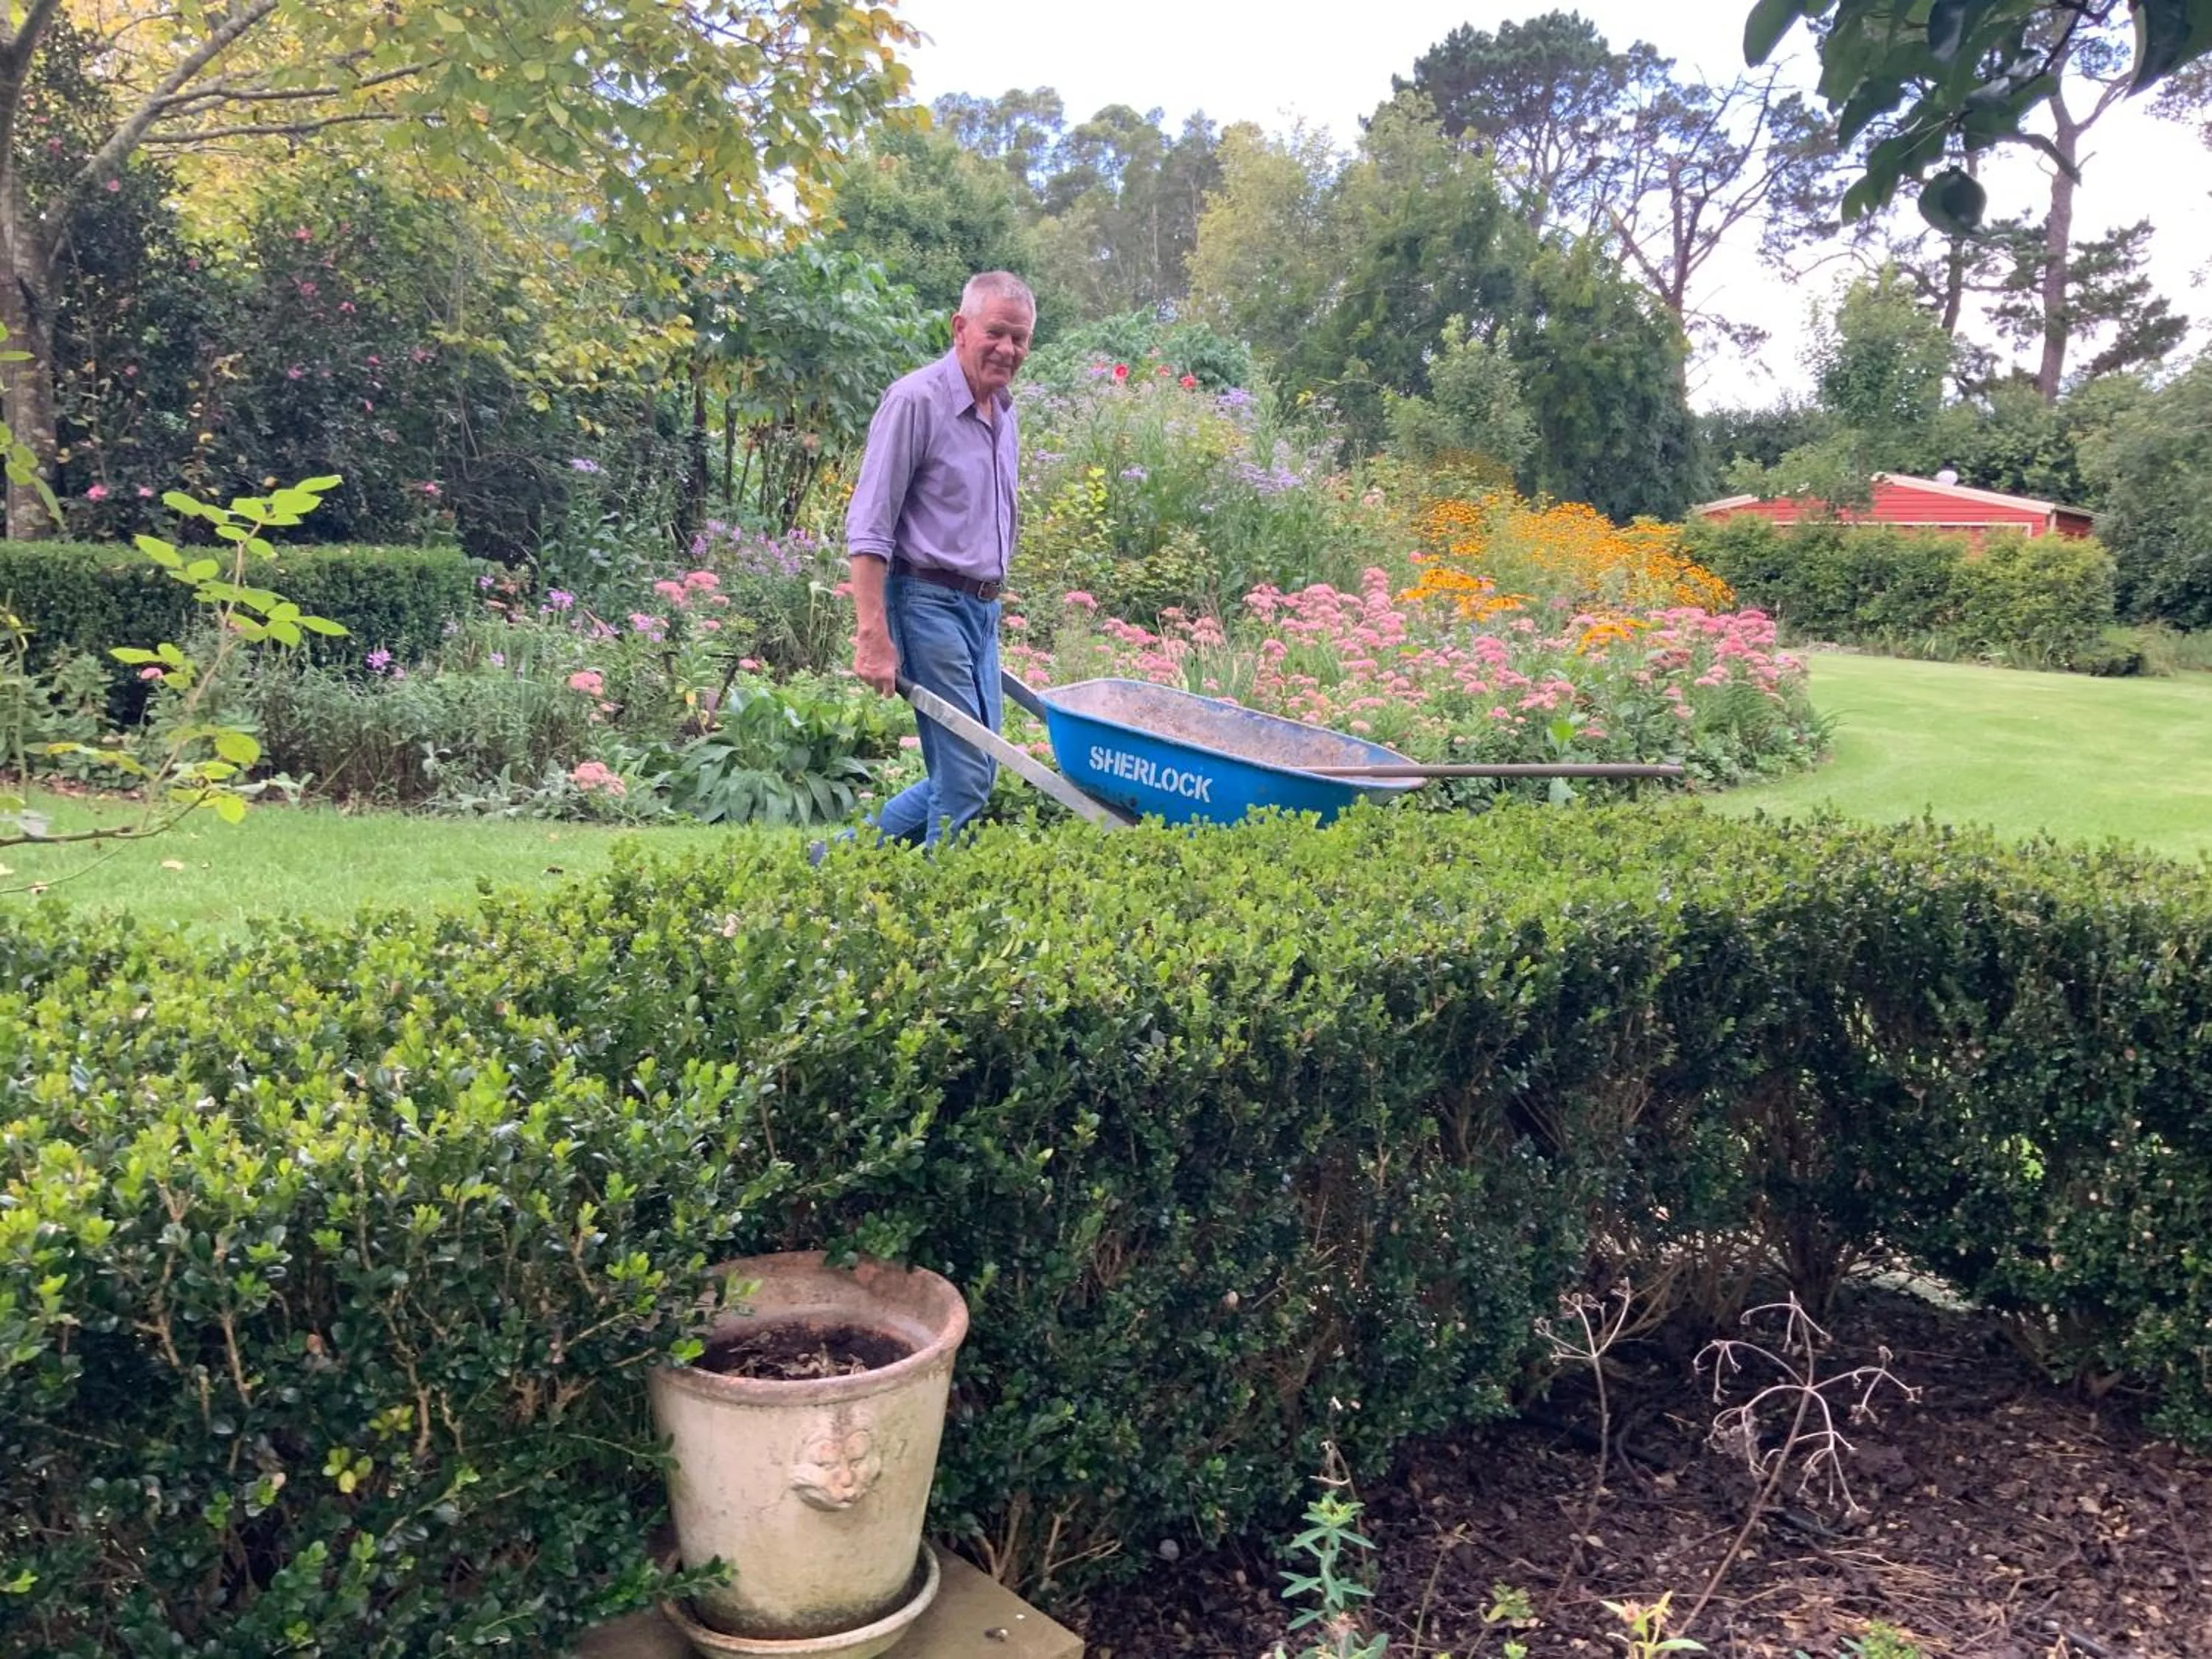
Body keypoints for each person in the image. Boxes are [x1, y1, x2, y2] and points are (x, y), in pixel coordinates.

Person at [842, 271, 1035, 848]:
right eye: (995, 332)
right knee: (968, 776)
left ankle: (832, 863)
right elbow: (869, 526)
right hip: (925, 602)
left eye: (1020, 339)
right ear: (960, 328)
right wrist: (872, 634)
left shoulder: (1005, 413)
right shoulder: (915, 402)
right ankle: (932, 913)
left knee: (972, 770)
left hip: (981, 611)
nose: (1007, 349)